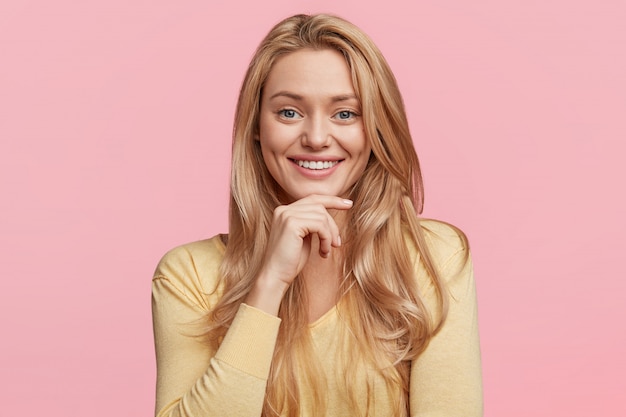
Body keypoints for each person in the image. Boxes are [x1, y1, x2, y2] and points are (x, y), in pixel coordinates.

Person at [152, 13, 482, 417]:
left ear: (376, 128)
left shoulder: (434, 258)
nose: (316, 138)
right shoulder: (188, 276)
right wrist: (269, 284)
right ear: (257, 126)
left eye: (345, 114)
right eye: (289, 112)